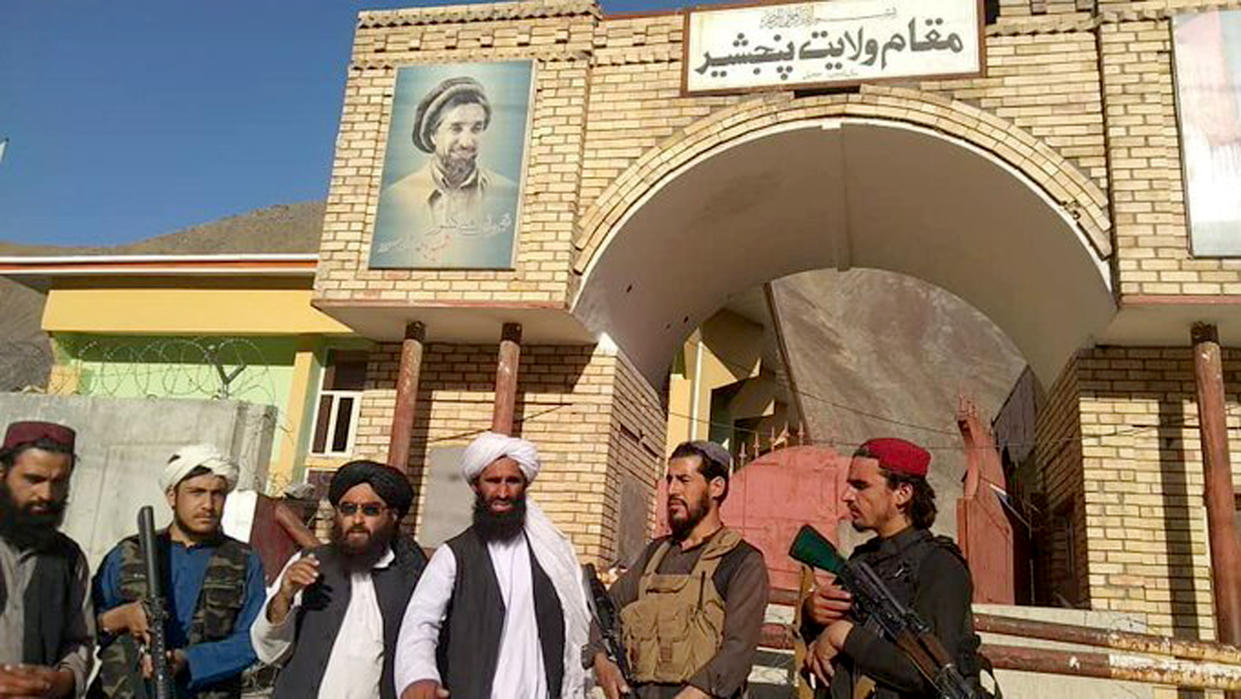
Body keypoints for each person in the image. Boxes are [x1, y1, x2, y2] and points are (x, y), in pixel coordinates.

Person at [394, 432, 591, 699]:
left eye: (512, 481)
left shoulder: (550, 555)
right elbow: (421, 622)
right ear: (476, 486)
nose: (502, 492)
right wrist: (419, 676)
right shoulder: (454, 555)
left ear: (525, 486)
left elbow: (580, 620)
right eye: (493, 481)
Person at [801, 438, 984, 698]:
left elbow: (933, 675)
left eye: (860, 486)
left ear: (902, 494)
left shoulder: (940, 566)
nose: (847, 496)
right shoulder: (862, 560)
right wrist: (813, 613)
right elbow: (824, 646)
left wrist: (846, 635)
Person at [591, 440, 770, 699]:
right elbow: (603, 611)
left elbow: (739, 649)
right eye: (669, 480)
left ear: (716, 487)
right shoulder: (655, 555)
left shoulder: (741, 561)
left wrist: (695, 693)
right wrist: (602, 662)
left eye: (684, 480)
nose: (672, 490)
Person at [92, 444, 265, 698]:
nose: (208, 504)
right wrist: (124, 616)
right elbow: (82, 626)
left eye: (217, 494)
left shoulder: (243, 561)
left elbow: (254, 639)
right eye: (196, 492)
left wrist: (189, 660)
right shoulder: (130, 552)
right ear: (172, 496)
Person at [251, 460, 428, 699]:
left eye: (370, 510)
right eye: (348, 508)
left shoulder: (411, 578)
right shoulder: (308, 563)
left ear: (393, 516)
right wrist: (284, 596)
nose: (357, 519)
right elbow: (268, 651)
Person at [371, 76, 520, 268]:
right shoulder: (396, 198)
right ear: (433, 135)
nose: (467, 142)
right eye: (456, 129)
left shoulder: (508, 194)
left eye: (476, 129)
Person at [0, 421, 94, 698]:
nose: (46, 495)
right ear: (3, 473)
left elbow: (79, 641)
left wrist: (60, 681)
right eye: (33, 479)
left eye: (58, 482)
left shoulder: (69, 558)